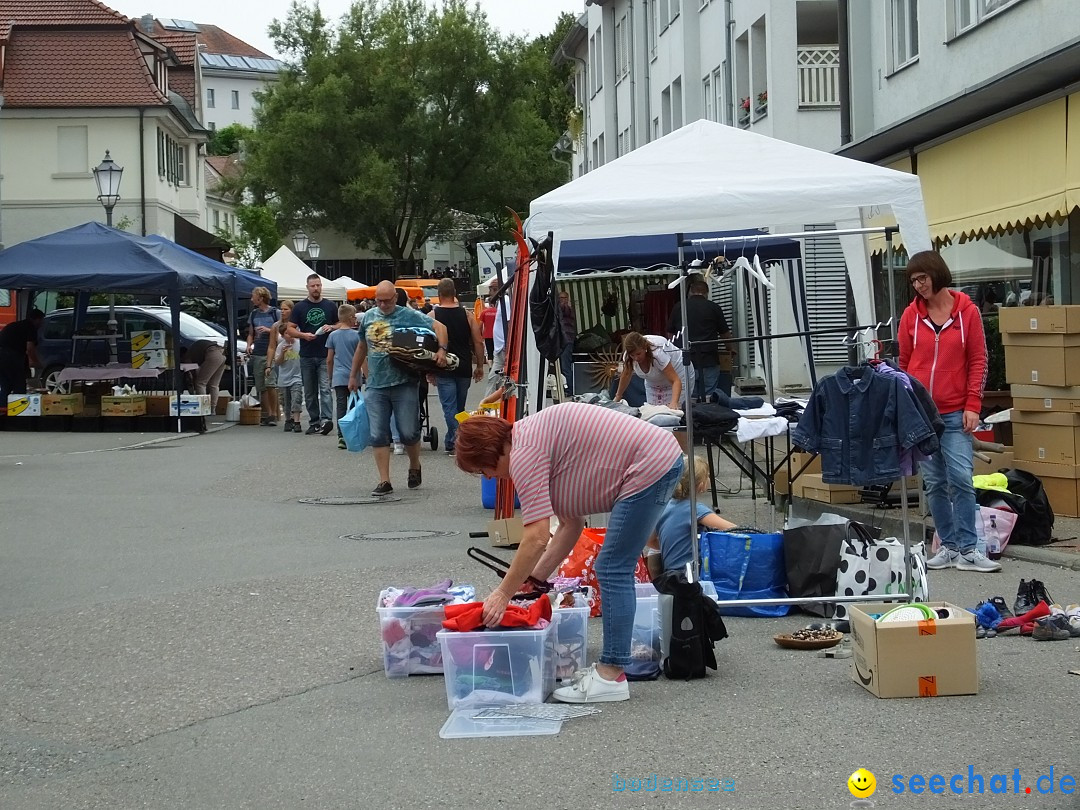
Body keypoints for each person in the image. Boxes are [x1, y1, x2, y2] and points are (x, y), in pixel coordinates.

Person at [453, 403, 683, 703]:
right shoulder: (527, 441)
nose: (488, 476)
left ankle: (611, 674)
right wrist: (533, 581)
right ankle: (609, 670)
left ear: (487, 452)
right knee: (613, 565)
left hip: (651, 464)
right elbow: (569, 526)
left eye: (481, 468)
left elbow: (535, 538)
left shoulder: (523, 454)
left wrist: (503, 594)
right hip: (657, 457)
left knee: (613, 567)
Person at [899, 250, 999, 573]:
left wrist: (973, 405)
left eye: (922, 278)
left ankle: (969, 549)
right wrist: (906, 405)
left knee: (961, 478)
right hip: (922, 416)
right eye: (913, 281)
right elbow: (903, 365)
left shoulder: (967, 312)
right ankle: (949, 544)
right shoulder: (909, 317)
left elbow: (979, 360)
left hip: (956, 412)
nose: (918, 285)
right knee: (934, 483)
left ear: (936, 274)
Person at [348, 280, 449, 496]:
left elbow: (440, 327)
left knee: (408, 432)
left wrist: (441, 350)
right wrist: (353, 374)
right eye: (379, 301)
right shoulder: (369, 316)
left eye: (387, 301)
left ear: (395, 297)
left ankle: (415, 464)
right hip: (375, 384)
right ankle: (385, 481)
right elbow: (361, 346)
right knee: (378, 434)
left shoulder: (408, 314)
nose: (383, 305)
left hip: (404, 382)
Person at [643, 454, 736, 580]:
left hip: (669, 574)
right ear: (701, 485)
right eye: (708, 476)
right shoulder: (695, 509)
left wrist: (671, 546)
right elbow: (733, 529)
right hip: (689, 575)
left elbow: (650, 540)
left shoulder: (664, 506)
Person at [432, 278, 485, 455]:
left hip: (442, 365)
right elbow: (478, 341)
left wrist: (428, 370)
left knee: (449, 407)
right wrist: (479, 365)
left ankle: (456, 441)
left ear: (439, 295)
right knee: (459, 407)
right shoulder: (467, 315)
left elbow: (426, 344)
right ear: (454, 293)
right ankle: (454, 440)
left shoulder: (432, 316)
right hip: (463, 366)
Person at [287, 274, 339, 435]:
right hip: (307, 355)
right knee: (309, 392)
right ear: (307, 287)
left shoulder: (330, 306)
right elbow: (289, 328)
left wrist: (331, 327)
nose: (316, 288)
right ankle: (314, 421)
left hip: (325, 353)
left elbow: (340, 324)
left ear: (321, 286)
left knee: (325, 388)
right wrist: (303, 335)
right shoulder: (300, 307)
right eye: (313, 286)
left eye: (318, 285)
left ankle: (326, 420)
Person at [667, 277, 734, 400]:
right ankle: (708, 413)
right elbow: (725, 334)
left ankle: (692, 417)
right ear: (706, 293)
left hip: (685, 359)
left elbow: (670, 334)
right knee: (709, 396)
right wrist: (730, 350)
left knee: (689, 396)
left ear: (690, 292)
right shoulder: (714, 307)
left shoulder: (679, 307)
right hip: (709, 359)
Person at [613, 332, 695, 412]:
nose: (636, 358)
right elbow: (626, 374)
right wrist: (618, 396)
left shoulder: (658, 354)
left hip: (678, 375)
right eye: (632, 355)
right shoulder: (628, 357)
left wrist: (674, 403)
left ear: (644, 348)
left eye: (638, 354)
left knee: (673, 412)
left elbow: (676, 381)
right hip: (654, 382)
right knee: (653, 412)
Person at [326, 304, 361, 449]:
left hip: (339, 376)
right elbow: (361, 357)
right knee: (354, 406)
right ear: (351, 318)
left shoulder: (332, 335)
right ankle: (354, 434)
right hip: (354, 376)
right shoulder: (357, 336)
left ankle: (341, 436)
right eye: (355, 317)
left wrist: (330, 376)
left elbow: (329, 359)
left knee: (341, 406)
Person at [246, 287, 281, 426]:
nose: (251, 299)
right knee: (261, 386)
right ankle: (267, 414)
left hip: (271, 352)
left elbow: (282, 330)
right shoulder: (253, 314)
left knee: (270, 383)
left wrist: (268, 330)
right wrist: (249, 345)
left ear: (260, 298)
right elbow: (250, 333)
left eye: (253, 296)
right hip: (258, 352)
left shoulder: (275, 313)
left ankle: (273, 414)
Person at [0, 308, 44, 406]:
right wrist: (36, 362)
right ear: (37, 319)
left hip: (2, 355)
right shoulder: (30, 328)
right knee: (19, 385)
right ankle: (19, 412)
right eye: (42, 321)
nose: (42, 324)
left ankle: (3, 411)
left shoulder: (15, 325)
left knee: (5, 385)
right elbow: (30, 348)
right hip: (11, 357)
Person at [269, 319, 303, 433]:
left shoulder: (299, 344)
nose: (290, 335)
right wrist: (283, 353)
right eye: (286, 334)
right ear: (283, 336)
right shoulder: (280, 347)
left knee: (296, 399)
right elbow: (278, 362)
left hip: (297, 377)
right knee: (285, 401)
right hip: (284, 378)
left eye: (291, 332)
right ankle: (288, 420)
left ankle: (297, 421)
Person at [485, 276, 510, 397]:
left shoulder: (505, 301)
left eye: (490, 290)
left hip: (504, 346)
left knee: (498, 378)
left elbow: (509, 322)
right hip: (500, 347)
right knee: (494, 378)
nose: (489, 294)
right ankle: (487, 405)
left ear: (495, 290)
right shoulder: (501, 303)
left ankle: (488, 404)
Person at [185, 338, 227, 405]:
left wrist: (193, 380)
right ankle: (212, 410)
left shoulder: (189, 354)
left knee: (200, 383)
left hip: (212, 353)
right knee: (214, 385)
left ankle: (203, 408)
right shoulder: (195, 347)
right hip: (222, 354)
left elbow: (194, 370)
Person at [557, 290, 577, 397]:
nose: (562, 300)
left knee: (565, 366)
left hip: (567, 341)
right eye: (560, 298)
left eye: (564, 298)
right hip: (562, 341)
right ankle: (565, 388)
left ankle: (570, 389)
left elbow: (562, 309)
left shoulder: (567, 309)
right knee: (561, 366)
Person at [480, 296, 497, 361]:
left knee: (489, 352)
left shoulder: (484, 312)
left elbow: (480, 325)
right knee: (496, 352)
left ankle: (490, 366)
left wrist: (480, 334)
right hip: (496, 335)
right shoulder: (497, 312)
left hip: (487, 335)